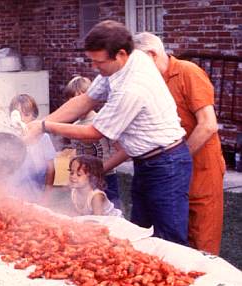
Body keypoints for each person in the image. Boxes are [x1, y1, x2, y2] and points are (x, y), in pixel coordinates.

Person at [26, 20, 192, 246]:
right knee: (141, 233)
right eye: (92, 61)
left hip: (167, 163)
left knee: (169, 239)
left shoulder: (133, 87)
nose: (95, 67)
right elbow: (85, 100)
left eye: (99, 62)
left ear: (121, 54)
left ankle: (178, 278)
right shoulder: (126, 62)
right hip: (145, 162)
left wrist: (46, 127)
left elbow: (95, 131)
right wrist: (40, 123)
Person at [134, 32, 226, 255]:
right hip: (168, 170)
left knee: (201, 240)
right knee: (166, 239)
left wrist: (176, 159)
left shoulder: (188, 72)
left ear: (152, 55)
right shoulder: (149, 82)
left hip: (200, 168)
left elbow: (208, 125)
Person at [64, 76, 122, 210]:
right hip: (84, 181)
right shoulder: (75, 126)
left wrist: (99, 171)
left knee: (109, 217)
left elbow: (121, 151)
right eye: (71, 99)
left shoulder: (101, 122)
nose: (77, 104)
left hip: (106, 179)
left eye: (80, 99)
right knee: (87, 213)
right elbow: (78, 153)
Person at [9, 94, 56, 205]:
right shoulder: (10, 138)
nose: (22, 119)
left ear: (34, 117)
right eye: (18, 115)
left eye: (26, 115)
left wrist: (47, 195)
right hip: (14, 193)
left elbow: (51, 169)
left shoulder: (43, 138)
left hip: (37, 193)